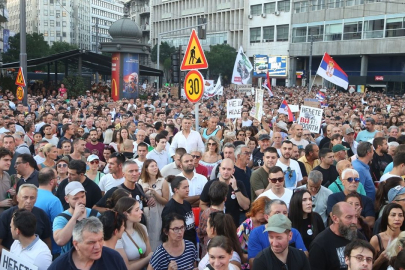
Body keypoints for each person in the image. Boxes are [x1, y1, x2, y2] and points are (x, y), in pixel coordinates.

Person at [48, 217, 127, 269]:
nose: (98, 246)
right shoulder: (59, 266)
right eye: (91, 242)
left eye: (100, 240)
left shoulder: (113, 258)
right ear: (76, 244)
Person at [247, 199, 307, 266]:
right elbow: (253, 262)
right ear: (267, 217)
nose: (282, 216)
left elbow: (304, 255)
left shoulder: (294, 232)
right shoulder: (256, 233)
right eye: (277, 213)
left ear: (290, 235)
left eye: (285, 213)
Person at [309, 202, 366, 270]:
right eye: (349, 217)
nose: (354, 221)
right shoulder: (319, 244)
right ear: (335, 219)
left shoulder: (358, 235)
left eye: (356, 217)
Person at [0, 184, 52, 255]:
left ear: (36, 199)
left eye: (32, 198)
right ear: (17, 198)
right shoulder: (6, 215)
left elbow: (47, 240)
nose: (28, 201)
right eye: (25, 197)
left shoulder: (41, 214)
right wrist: (13, 258)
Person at [53, 181, 100, 254]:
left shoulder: (95, 214)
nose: (80, 201)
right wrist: (74, 217)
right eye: (75, 199)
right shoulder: (61, 218)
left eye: (83, 196)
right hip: (69, 260)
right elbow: (60, 241)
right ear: (67, 199)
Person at [200, 158, 250, 226]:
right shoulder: (210, 184)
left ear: (233, 171)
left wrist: (235, 188)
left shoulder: (239, 184)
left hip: (233, 226)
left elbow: (246, 206)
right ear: (220, 169)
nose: (226, 172)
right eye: (223, 169)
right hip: (215, 225)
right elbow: (202, 204)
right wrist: (213, 214)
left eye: (229, 169)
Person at [138, 159, 170, 251]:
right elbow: (138, 199)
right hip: (145, 213)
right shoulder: (140, 182)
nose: (155, 168)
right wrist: (144, 196)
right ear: (146, 169)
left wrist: (155, 194)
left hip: (158, 213)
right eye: (152, 166)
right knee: (145, 235)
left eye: (156, 165)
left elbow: (166, 201)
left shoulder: (163, 181)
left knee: (156, 237)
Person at [114, 197, 153, 269]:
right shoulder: (118, 235)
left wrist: (133, 263)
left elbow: (150, 258)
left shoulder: (142, 228)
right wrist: (147, 258)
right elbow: (126, 267)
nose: (141, 212)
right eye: (137, 210)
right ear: (126, 214)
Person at [34, 167, 64, 258]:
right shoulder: (54, 201)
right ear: (51, 182)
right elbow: (59, 226)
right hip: (51, 249)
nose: (57, 180)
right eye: (57, 178)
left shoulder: (31, 195)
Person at [237, 196, 270, 269]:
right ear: (256, 210)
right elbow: (236, 251)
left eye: (267, 214)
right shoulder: (245, 226)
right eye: (262, 213)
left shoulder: (268, 225)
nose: (264, 216)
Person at [161, 176, 196, 245]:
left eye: (188, 187)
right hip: (179, 245)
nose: (188, 190)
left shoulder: (187, 204)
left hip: (191, 243)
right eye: (184, 187)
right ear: (176, 190)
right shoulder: (170, 208)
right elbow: (166, 232)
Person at [370, 203, 405, 270]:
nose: (397, 218)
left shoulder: (404, 237)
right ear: (386, 217)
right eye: (393, 215)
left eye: (400, 215)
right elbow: (369, 267)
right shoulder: (376, 240)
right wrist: (380, 259)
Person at [198, 181, 228, 257]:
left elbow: (200, 233)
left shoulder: (205, 212)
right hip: (219, 255)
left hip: (206, 252)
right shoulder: (222, 218)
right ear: (225, 198)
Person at [0, 147, 13, 214]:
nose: (9, 163)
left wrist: (12, 194)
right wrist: (1, 204)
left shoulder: (7, 175)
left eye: (10, 160)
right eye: (6, 160)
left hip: (5, 217)